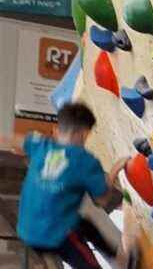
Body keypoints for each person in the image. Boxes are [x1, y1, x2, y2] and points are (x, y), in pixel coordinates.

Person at [0, 103, 139, 269]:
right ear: (82, 133)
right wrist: (115, 169)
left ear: (58, 128)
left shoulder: (41, 145)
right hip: (54, 235)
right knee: (86, 258)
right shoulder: (84, 160)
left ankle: (117, 258)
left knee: (84, 224)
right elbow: (102, 200)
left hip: (26, 229)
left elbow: (8, 140)